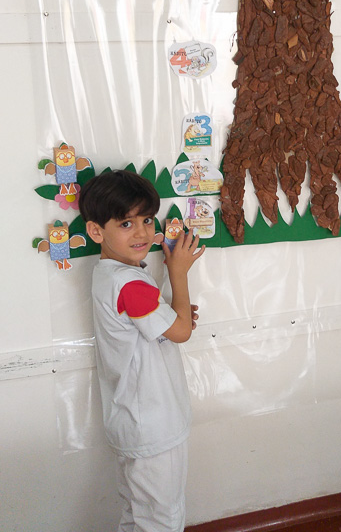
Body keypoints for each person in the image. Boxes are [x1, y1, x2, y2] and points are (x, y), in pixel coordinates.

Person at [79, 170, 205, 532]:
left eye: (147, 220)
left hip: (133, 421)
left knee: (138, 515)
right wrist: (178, 271)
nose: (142, 233)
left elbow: (167, 325)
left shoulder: (111, 273)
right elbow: (181, 333)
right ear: (96, 231)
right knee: (162, 519)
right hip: (153, 426)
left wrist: (175, 313)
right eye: (126, 223)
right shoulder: (129, 282)